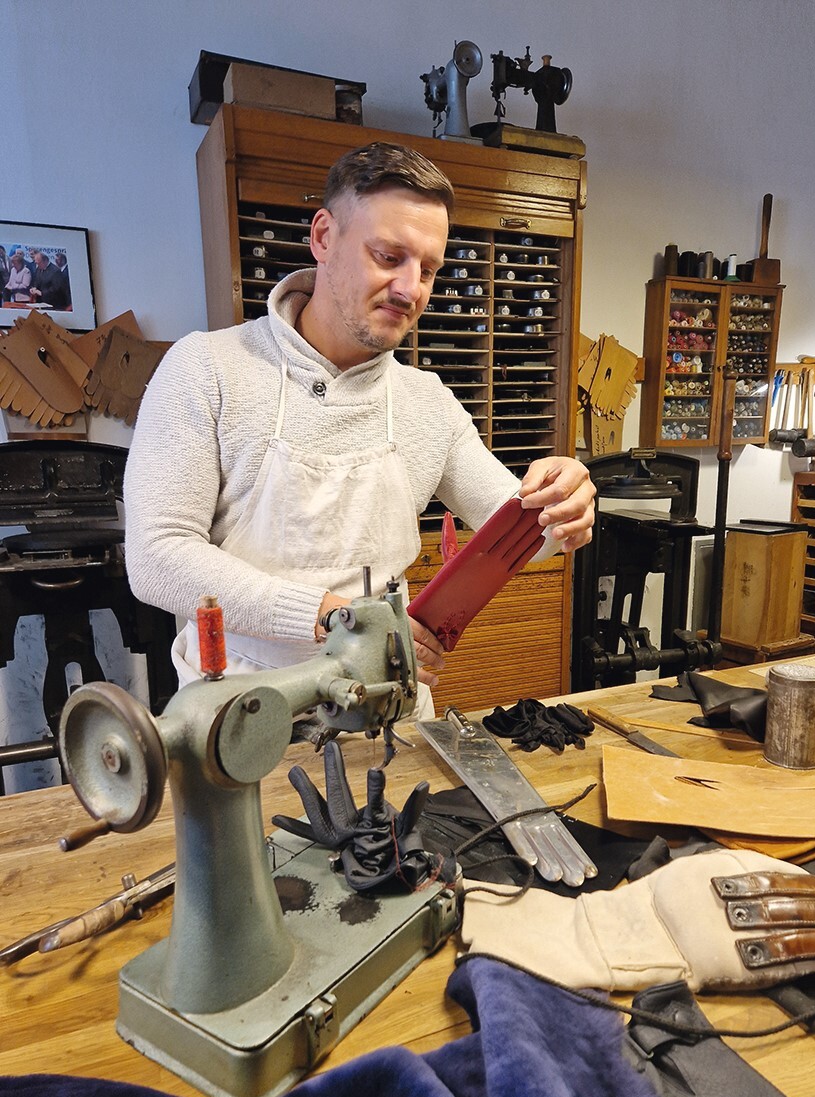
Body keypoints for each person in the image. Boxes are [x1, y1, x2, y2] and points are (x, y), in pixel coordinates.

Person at [124, 142, 596, 717]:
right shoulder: (208, 370)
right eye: (388, 256)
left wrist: (562, 501)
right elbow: (156, 558)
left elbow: (529, 535)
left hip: (386, 712)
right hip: (240, 719)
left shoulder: (427, 404)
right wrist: (336, 622)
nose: (411, 289)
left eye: (427, 269)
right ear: (323, 237)